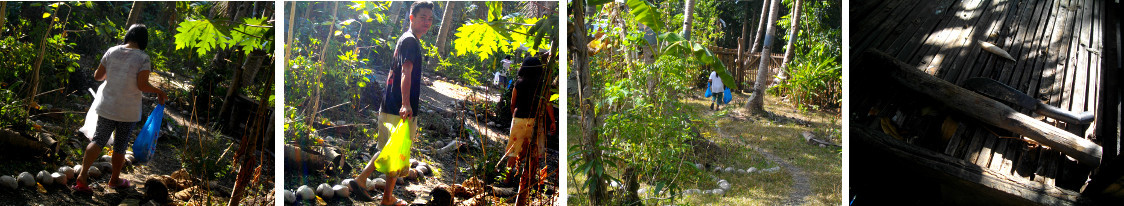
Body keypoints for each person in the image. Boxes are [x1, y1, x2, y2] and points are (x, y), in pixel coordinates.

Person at [350, 1, 433, 205]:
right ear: (411, 18)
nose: (427, 22)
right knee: (396, 153)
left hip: (391, 105)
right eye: (423, 17)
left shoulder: (406, 39)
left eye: (430, 19)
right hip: (398, 107)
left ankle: (365, 182)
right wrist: (406, 103)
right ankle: (383, 196)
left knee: (388, 149)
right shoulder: (410, 41)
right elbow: (406, 71)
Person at [73, 24, 168, 193]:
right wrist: (159, 91)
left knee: (98, 140)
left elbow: (97, 76)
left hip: (107, 106)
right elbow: (142, 85)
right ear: (143, 40)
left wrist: (114, 73)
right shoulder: (143, 58)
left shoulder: (112, 51)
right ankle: (114, 180)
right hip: (128, 112)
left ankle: (82, 175)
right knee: (120, 146)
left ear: (128, 36)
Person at [498, 56, 544, 179]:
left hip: (519, 118)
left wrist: (514, 116)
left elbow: (513, 103)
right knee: (533, 152)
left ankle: (506, 179)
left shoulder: (519, 83)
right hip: (534, 120)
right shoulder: (542, 86)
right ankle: (528, 180)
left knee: (513, 150)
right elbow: (547, 103)